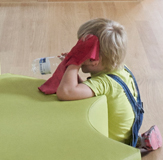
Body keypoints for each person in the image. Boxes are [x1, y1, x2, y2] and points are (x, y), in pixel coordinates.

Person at [55, 18, 148, 146]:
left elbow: (66, 92)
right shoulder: (121, 70)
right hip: (127, 134)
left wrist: (74, 63)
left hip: (113, 144)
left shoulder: (106, 83)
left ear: (94, 59)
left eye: (81, 50)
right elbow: (81, 90)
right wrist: (70, 68)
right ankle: (140, 141)